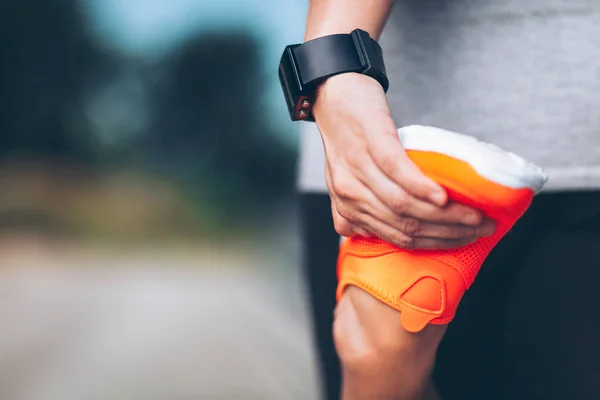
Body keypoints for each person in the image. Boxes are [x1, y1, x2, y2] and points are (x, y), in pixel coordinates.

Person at [297, 1, 600, 399]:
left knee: (374, 349)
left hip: (388, 154)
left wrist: (333, 60)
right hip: (381, 164)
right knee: (375, 353)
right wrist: (334, 63)